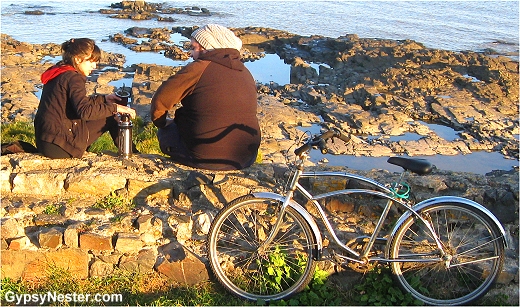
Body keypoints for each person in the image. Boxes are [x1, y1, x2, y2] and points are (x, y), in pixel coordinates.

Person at [150, 24, 261, 170]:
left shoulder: (199, 68)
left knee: (165, 132)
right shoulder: (245, 72)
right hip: (245, 157)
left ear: (205, 48)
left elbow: (160, 101)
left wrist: (162, 123)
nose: (191, 54)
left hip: (205, 156)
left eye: (193, 48)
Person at [34, 38, 136, 159]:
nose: (94, 66)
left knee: (107, 112)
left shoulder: (59, 71)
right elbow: (84, 111)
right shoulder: (74, 78)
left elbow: (76, 103)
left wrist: (104, 99)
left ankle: (131, 152)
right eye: (90, 61)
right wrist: (116, 108)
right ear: (77, 59)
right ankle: (132, 154)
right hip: (60, 146)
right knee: (110, 116)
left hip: (46, 141)